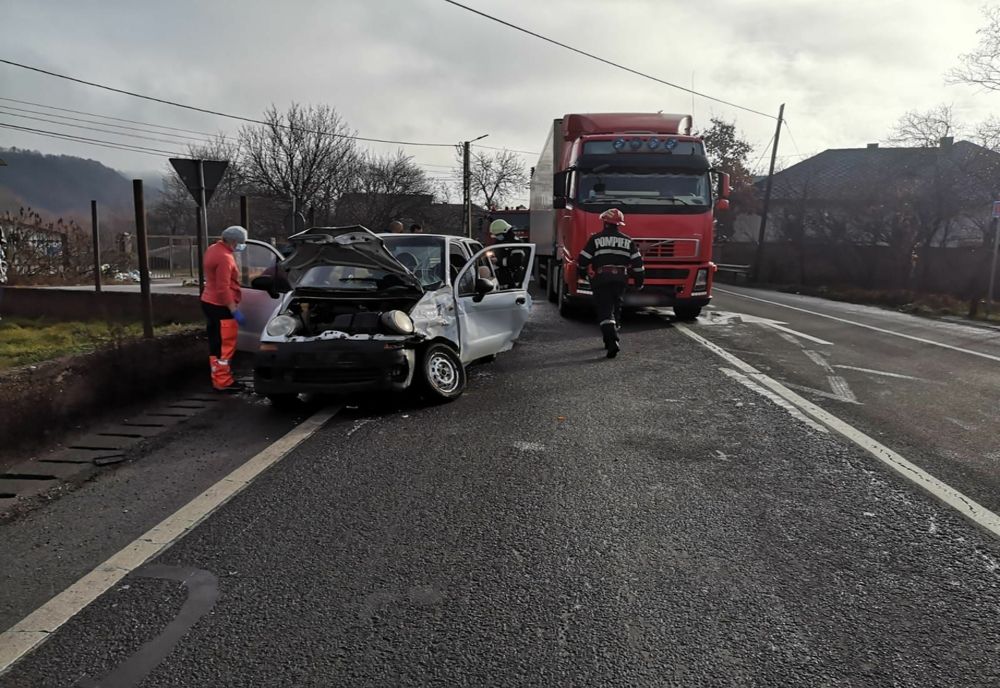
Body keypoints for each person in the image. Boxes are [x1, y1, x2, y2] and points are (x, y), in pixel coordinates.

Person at [577, 208, 644, 358]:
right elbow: (638, 265)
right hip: (620, 280)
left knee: (605, 310)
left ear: (604, 222)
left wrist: (582, 273)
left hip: (601, 279)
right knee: (616, 307)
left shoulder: (595, 239)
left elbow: (582, 260)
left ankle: (612, 341)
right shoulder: (628, 240)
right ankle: (611, 338)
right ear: (619, 224)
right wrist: (639, 282)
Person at [201, 225, 249, 392]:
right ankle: (223, 382)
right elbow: (223, 288)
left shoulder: (213, 249)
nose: (241, 246)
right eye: (241, 243)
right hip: (220, 306)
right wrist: (233, 309)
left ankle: (218, 377)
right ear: (234, 241)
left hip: (208, 301)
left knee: (216, 344)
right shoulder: (225, 258)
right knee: (225, 345)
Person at [488, 219, 526, 289]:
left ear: (505, 231)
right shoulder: (499, 241)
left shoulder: (516, 243)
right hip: (501, 277)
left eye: (498, 235)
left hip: (514, 278)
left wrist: (497, 261)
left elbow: (517, 261)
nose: (497, 236)